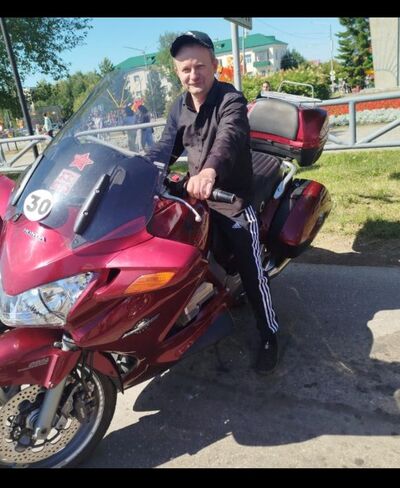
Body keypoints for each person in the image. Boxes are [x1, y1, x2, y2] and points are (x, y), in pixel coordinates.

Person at [146, 31, 280, 374]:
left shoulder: (230, 99)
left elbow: (228, 139)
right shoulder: (179, 107)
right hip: (197, 201)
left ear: (214, 65)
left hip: (231, 199)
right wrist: (136, 168)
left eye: (200, 66)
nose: (193, 75)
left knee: (252, 269)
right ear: (177, 72)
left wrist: (208, 172)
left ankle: (269, 334)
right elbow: (166, 147)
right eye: (186, 69)